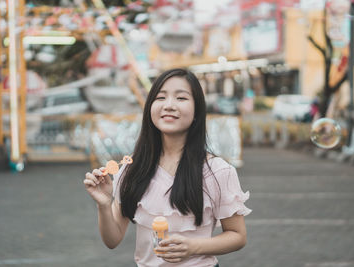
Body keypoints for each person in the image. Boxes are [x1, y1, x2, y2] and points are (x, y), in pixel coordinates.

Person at [84, 68, 251, 267]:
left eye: (181, 98)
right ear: (150, 108)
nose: (169, 105)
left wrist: (194, 247)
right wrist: (104, 205)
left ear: (197, 110)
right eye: (161, 97)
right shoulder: (132, 169)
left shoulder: (218, 171)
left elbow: (238, 236)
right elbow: (112, 240)